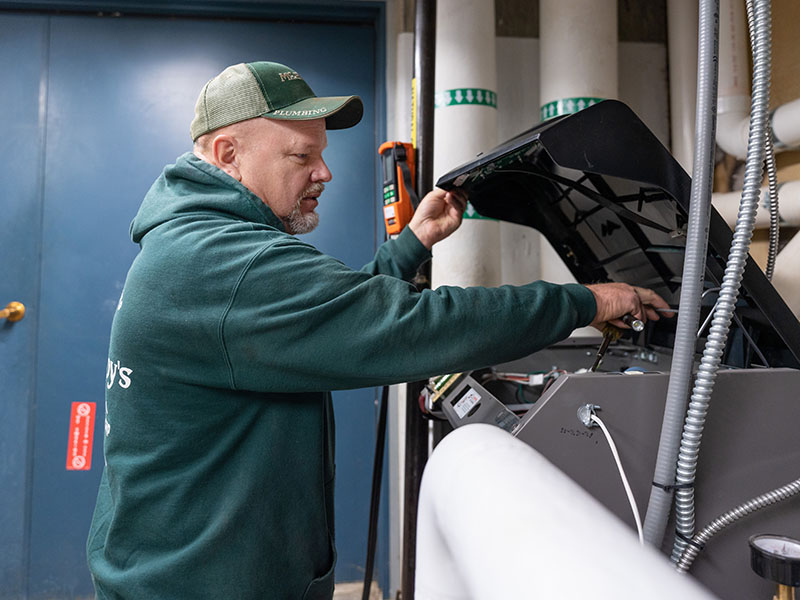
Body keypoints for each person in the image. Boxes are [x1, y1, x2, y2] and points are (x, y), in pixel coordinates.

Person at [87, 61, 670, 600]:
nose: (325, 171)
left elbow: (330, 316)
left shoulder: (198, 248)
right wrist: (583, 301)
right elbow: (403, 327)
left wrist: (411, 244)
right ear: (227, 152)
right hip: (197, 584)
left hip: (189, 569)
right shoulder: (223, 264)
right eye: (300, 156)